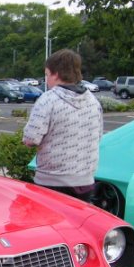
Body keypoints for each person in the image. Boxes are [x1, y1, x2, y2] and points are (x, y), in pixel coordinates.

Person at [22, 49, 103, 202]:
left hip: (52, 182)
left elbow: (30, 139)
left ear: (56, 74)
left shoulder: (48, 100)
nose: (46, 80)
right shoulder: (93, 101)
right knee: (79, 225)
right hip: (85, 181)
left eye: (47, 75)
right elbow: (98, 136)